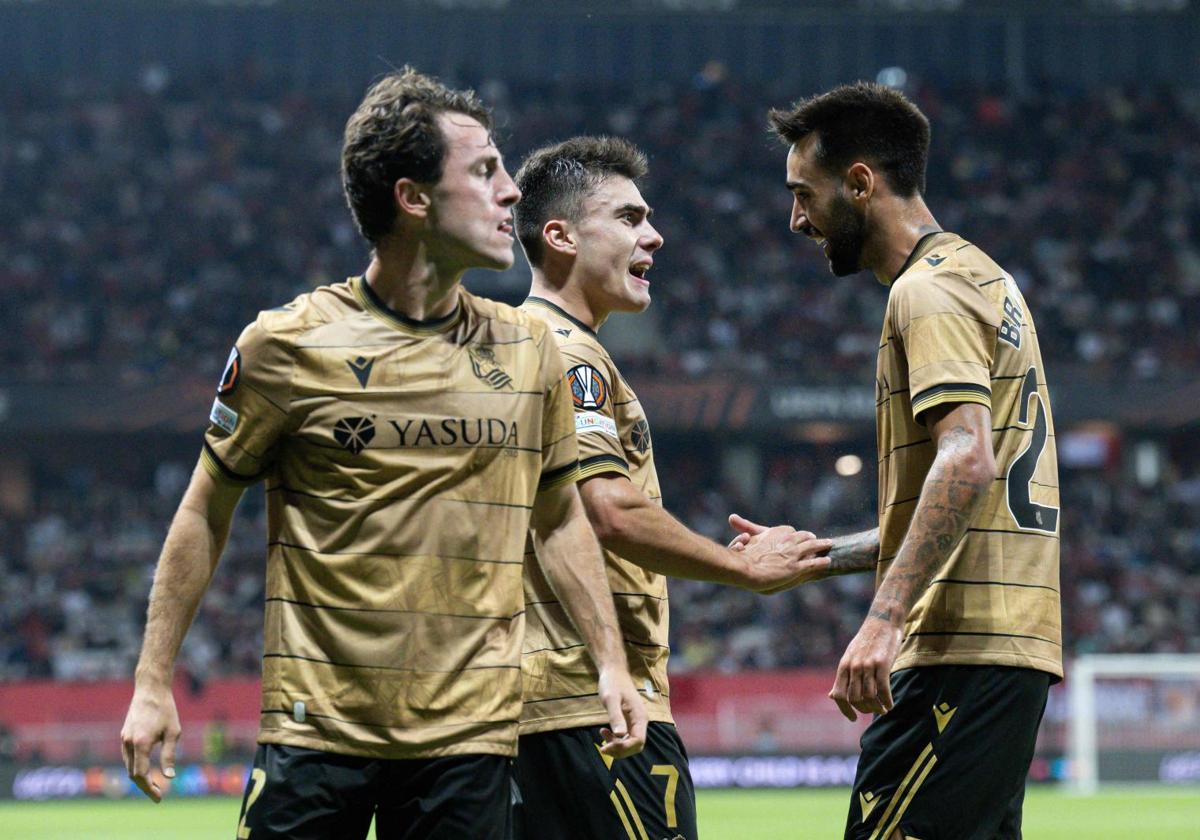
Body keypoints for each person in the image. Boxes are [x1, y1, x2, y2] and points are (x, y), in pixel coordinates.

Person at [119, 68, 648, 839]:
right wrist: (152, 682)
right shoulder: (286, 345)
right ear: (413, 197)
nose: (511, 193)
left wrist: (609, 661)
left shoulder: (532, 348)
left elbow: (560, 515)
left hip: (469, 741)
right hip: (313, 731)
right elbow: (206, 509)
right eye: (484, 171)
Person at [737, 82, 1062, 839]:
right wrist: (818, 557)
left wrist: (883, 621)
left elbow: (966, 458)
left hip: (960, 647)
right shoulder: (984, 276)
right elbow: (960, 497)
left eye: (802, 194)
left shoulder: (927, 291)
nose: (796, 220)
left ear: (860, 182)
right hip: (1000, 649)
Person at [511, 135, 834, 840]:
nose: (653, 235)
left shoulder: (513, 347)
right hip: (594, 713)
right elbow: (609, 509)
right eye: (628, 218)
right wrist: (741, 569)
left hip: (524, 710)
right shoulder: (566, 354)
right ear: (559, 235)